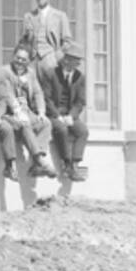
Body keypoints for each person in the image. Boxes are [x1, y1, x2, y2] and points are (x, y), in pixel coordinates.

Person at [0, 43, 50, 183]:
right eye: (18, 58)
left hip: (25, 109)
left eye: (24, 60)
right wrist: (18, 112)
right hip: (8, 111)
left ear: (28, 61)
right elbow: (6, 95)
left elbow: (38, 93)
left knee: (46, 123)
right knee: (24, 124)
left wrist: (41, 112)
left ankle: (38, 161)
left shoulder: (30, 73)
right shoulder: (3, 72)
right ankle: (38, 159)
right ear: (13, 56)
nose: (20, 62)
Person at [43, 41, 88, 181]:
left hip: (69, 114)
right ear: (66, 60)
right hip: (53, 113)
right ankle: (66, 163)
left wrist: (71, 116)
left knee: (83, 131)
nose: (78, 63)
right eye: (75, 60)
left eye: (79, 61)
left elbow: (80, 101)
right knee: (61, 129)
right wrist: (57, 116)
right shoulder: (51, 74)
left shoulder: (80, 77)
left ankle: (75, 165)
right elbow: (46, 99)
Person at [19, 0, 72, 92]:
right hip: (33, 60)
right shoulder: (29, 16)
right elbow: (23, 41)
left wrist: (55, 57)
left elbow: (67, 42)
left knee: (51, 92)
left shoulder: (60, 16)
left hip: (50, 59)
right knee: (31, 91)